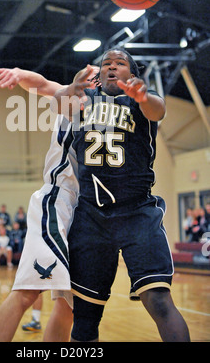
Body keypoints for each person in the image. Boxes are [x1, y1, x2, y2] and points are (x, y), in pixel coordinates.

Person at [53, 48, 190, 342]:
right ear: (99, 75)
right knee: (85, 317)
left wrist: (142, 97)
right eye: (106, 64)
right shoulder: (83, 100)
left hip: (137, 212)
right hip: (91, 215)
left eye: (120, 63)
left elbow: (159, 109)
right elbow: (58, 103)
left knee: (159, 302)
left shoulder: (143, 101)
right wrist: (71, 87)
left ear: (133, 74)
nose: (112, 67)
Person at [0, 65, 99, 342]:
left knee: (69, 305)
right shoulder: (73, 99)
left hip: (88, 212)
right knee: (26, 293)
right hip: (58, 200)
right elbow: (42, 84)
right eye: (94, 75)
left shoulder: (116, 113)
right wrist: (20, 74)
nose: (99, 78)